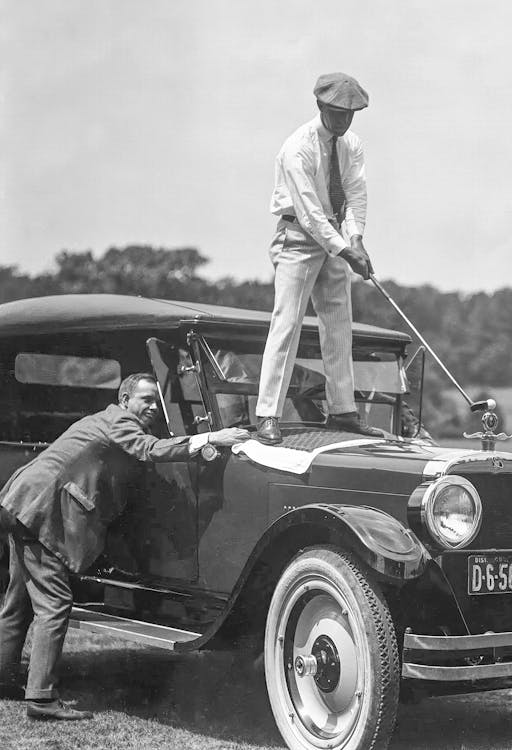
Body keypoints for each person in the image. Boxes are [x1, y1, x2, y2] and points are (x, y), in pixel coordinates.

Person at [0, 373, 249, 719]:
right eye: (144, 399)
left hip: (24, 502)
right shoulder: (119, 421)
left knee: (18, 603)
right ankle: (41, 700)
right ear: (124, 400)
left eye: (154, 400)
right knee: (55, 604)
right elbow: (147, 449)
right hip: (44, 510)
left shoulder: (106, 420)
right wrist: (211, 437)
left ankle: (3, 677)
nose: (151, 406)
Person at [255, 72, 381, 445]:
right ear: (321, 107)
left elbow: (356, 195)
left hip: (335, 238)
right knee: (288, 322)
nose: (344, 121)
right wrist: (345, 250)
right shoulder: (298, 147)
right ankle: (267, 415)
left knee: (339, 324)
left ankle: (342, 411)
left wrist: (356, 238)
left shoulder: (352, 144)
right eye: (338, 113)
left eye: (351, 114)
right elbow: (309, 212)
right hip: (297, 237)